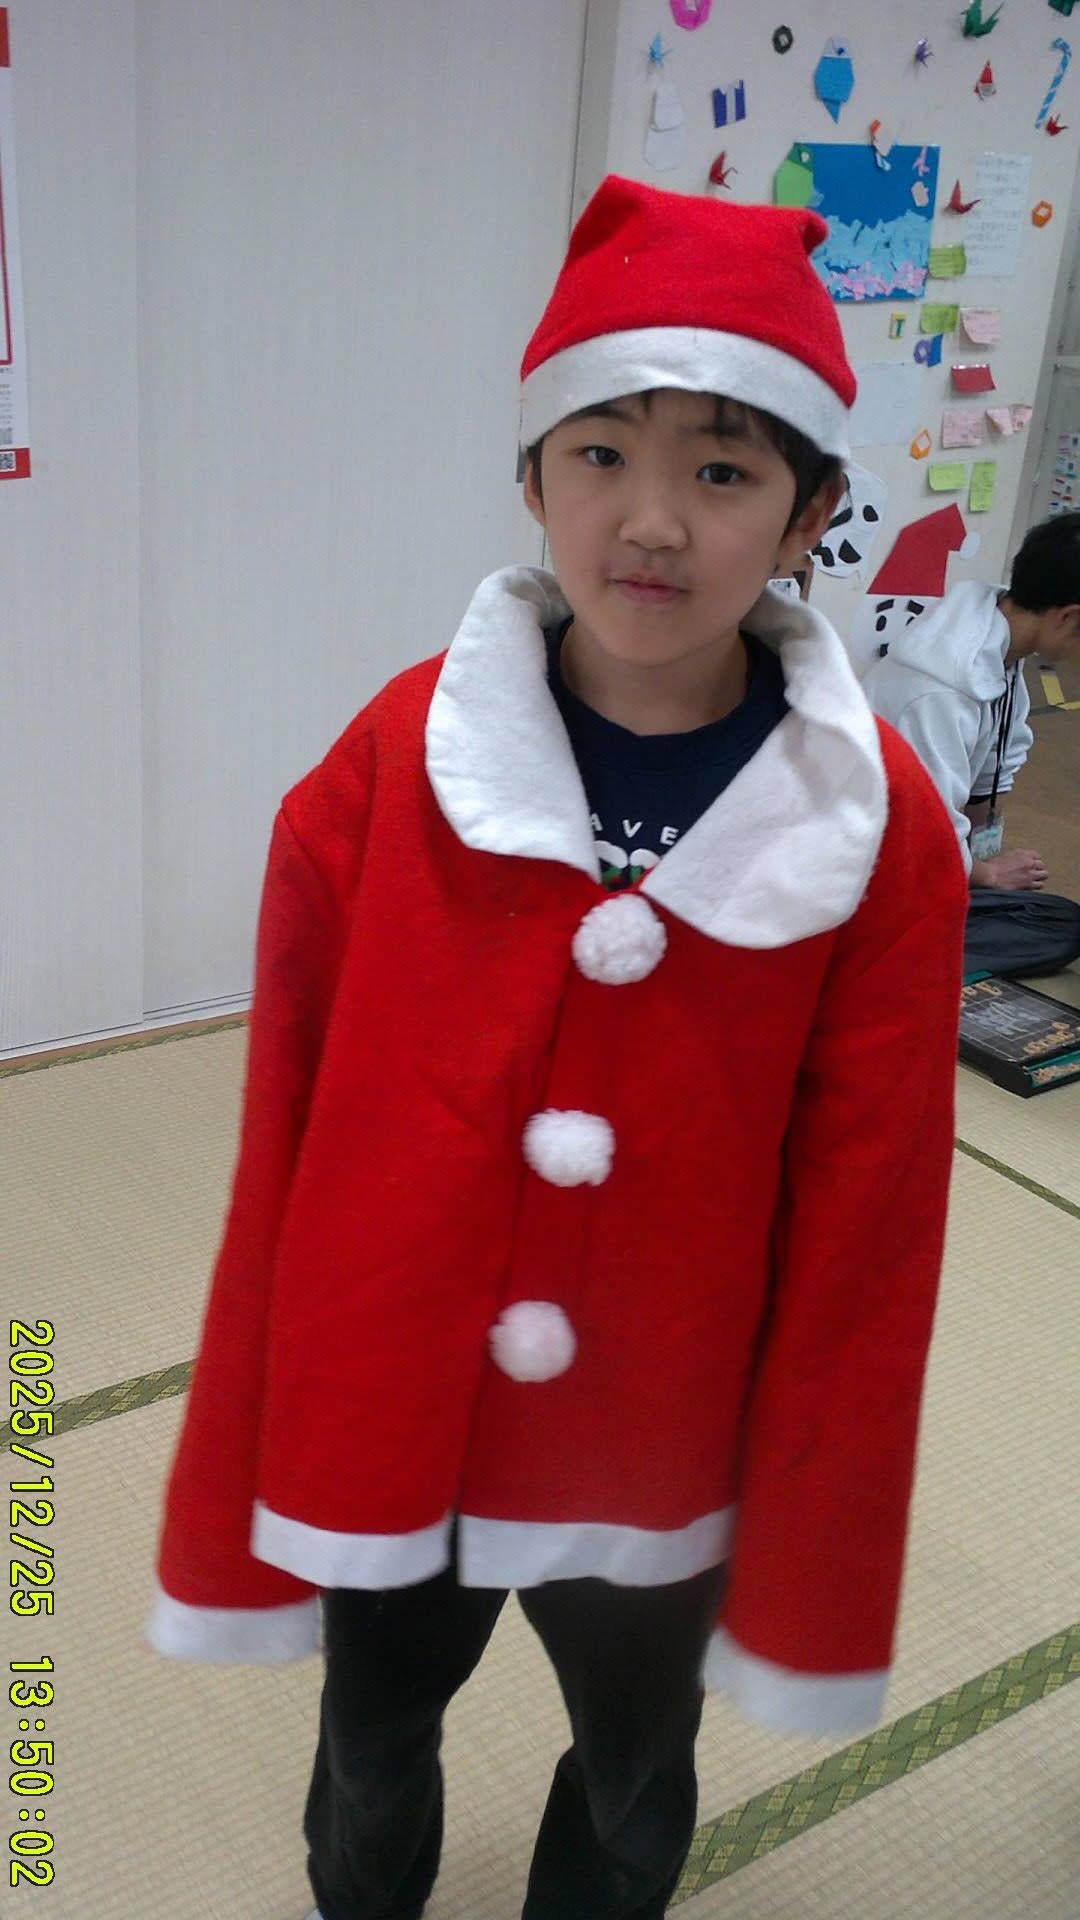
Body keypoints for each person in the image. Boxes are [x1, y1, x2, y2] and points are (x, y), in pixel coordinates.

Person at [144, 176, 968, 1920]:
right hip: (407, 1397)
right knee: (372, 1743)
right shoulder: (395, 759)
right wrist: (284, 1387)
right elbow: (291, 1120)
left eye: (723, 472)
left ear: (812, 512)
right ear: (532, 478)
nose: (651, 521)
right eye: (602, 454)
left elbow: (874, 1208)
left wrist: (809, 1493)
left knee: (634, 1775)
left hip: (665, 1420)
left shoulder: (872, 822)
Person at [862, 515, 1080, 891]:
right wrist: (989, 875)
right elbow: (924, 831)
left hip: (907, 837)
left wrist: (979, 855)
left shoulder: (1004, 629)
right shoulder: (941, 691)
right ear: (1069, 617)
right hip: (870, 859)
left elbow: (997, 763)